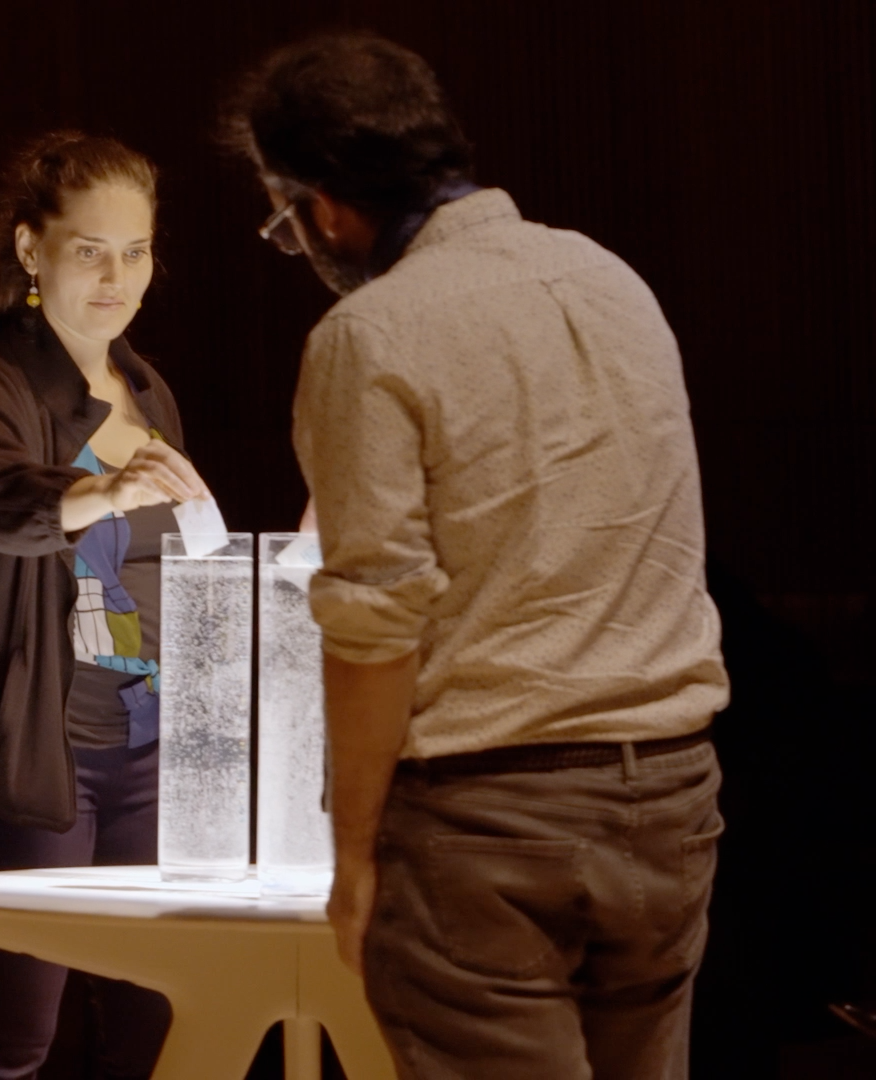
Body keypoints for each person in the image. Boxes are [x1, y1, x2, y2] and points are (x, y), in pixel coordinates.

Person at [225, 33, 730, 1079]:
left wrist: (352, 860)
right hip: (674, 800)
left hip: (489, 821)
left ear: (325, 207)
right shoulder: (612, 280)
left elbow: (375, 625)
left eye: (285, 221)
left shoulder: (371, 334)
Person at [0, 131, 210, 1080]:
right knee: (13, 1042)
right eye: (91, 251)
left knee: (158, 1031)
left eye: (137, 251)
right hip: (37, 754)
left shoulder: (148, 389)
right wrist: (100, 491)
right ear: (30, 249)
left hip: (152, 752)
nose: (118, 278)